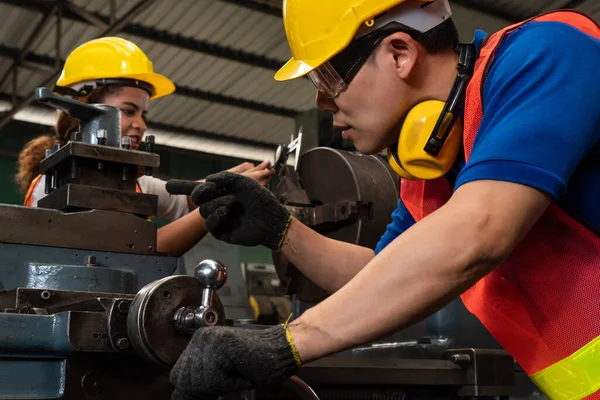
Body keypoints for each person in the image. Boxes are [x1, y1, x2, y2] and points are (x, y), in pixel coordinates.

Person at [167, 1, 600, 399]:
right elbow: (376, 277)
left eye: (327, 76)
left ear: (399, 53)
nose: (321, 101)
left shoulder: (549, 51)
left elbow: (479, 232)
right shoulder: (428, 177)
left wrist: (286, 342)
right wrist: (281, 230)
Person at [16, 37, 274, 258]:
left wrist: (228, 181)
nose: (140, 124)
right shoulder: (52, 186)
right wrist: (219, 204)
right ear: (81, 110)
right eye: (129, 111)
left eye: (143, 115)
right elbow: (127, 255)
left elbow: (186, 199)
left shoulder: (134, 183)